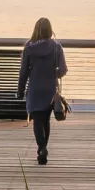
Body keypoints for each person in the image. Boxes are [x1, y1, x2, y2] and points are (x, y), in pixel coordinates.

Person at [20, 18, 69, 165]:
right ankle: (43, 148)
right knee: (46, 120)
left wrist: (20, 89)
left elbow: (23, 72)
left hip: (34, 88)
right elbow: (62, 70)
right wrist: (54, 73)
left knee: (37, 120)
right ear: (50, 30)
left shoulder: (29, 47)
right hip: (49, 89)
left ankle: (41, 148)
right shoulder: (56, 47)